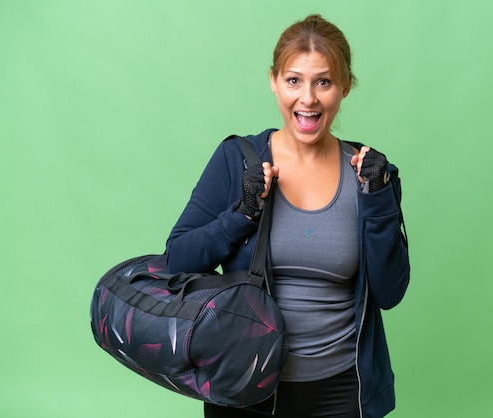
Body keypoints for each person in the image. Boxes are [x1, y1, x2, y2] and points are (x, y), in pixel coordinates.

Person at [166, 14, 410, 418]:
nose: (308, 99)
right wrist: (242, 214)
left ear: (345, 86)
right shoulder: (237, 159)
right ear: (274, 81)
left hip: (343, 390)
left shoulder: (369, 172)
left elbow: (390, 292)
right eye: (294, 80)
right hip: (245, 386)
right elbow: (178, 259)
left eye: (324, 82)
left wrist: (378, 199)